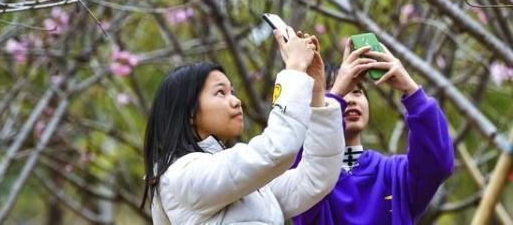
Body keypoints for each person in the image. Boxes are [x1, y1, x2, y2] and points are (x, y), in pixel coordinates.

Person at [141, 28, 345, 224]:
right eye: (221, 92)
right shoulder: (183, 176)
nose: (236, 101)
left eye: (233, 91)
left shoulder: (248, 187)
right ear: (190, 112)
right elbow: (276, 150)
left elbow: (314, 179)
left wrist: (316, 94)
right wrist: (294, 71)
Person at [292, 39, 454, 225]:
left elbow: (438, 162)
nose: (350, 99)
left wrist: (411, 90)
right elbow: (303, 173)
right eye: (342, 91)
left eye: (358, 92)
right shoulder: (307, 175)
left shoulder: (393, 174)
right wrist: (332, 102)